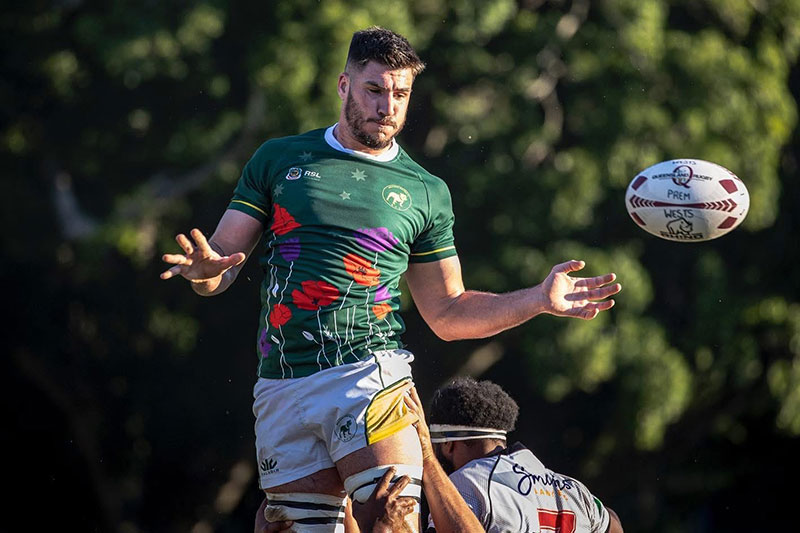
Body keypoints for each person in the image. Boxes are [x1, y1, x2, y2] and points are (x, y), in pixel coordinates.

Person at [161, 26, 621, 533]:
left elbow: (447, 312)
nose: (388, 107)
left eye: (400, 94)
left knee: (392, 519)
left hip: (367, 375)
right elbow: (222, 264)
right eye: (374, 90)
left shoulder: (425, 190)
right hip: (280, 384)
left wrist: (536, 299)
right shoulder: (279, 158)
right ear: (344, 85)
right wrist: (204, 275)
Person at [420, 377, 624, 533]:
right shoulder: (575, 491)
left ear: (448, 445)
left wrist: (429, 464)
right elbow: (612, 523)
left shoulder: (467, 483)